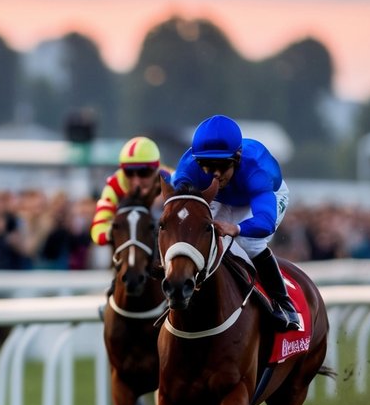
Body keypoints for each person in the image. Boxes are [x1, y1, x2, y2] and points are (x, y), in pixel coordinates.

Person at [171, 114, 302, 331]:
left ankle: (283, 303)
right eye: (207, 166)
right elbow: (178, 211)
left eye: (222, 166)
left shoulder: (257, 169)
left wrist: (238, 228)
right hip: (222, 197)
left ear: (237, 157)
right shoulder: (187, 168)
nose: (215, 174)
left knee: (249, 243)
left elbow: (265, 221)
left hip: (262, 197)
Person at [90, 136, 171, 248]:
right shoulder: (114, 186)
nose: (136, 181)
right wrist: (120, 229)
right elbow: (98, 231)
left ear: (157, 169)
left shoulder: (171, 181)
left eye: (144, 172)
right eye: (129, 172)